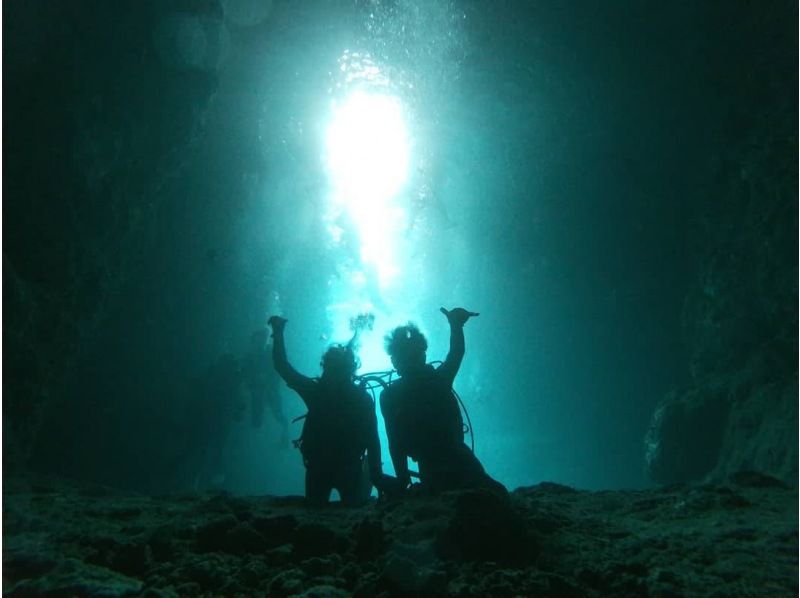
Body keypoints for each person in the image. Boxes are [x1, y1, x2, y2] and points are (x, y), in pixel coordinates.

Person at [380, 307, 506, 495]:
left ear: (394, 361)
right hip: (452, 458)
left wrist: (402, 480)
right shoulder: (437, 380)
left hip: (443, 460)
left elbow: (395, 443)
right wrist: (456, 325)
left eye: (413, 354)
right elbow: (456, 353)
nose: (412, 359)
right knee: (493, 494)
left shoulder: (391, 395)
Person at [268, 315, 384, 506]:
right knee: (352, 511)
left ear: (325, 367)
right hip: (347, 467)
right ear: (351, 370)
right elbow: (372, 440)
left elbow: (283, 367)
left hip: (322, 467)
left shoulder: (316, 392)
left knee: (317, 508)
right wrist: (377, 475)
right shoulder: (360, 398)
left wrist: (279, 333)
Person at [242, 328, 289, 446]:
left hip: (270, 390)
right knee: (256, 422)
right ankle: (255, 443)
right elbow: (245, 375)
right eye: (260, 338)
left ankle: (284, 435)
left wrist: (269, 382)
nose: (261, 341)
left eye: (263, 338)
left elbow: (279, 371)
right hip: (258, 391)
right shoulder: (250, 356)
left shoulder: (270, 353)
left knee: (278, 415)